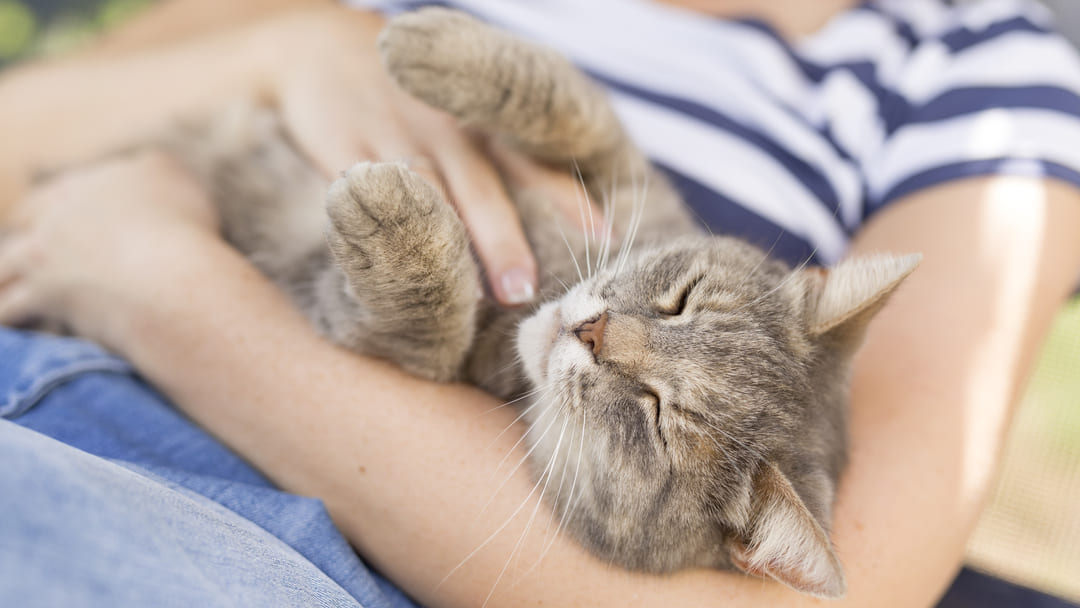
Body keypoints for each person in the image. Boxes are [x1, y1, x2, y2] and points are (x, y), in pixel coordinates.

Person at [2, 0, 1080, 606]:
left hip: (271, 532)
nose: (612, 332)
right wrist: (284, 49)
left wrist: (167, 292)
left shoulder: (974, 77)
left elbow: (831, 600)